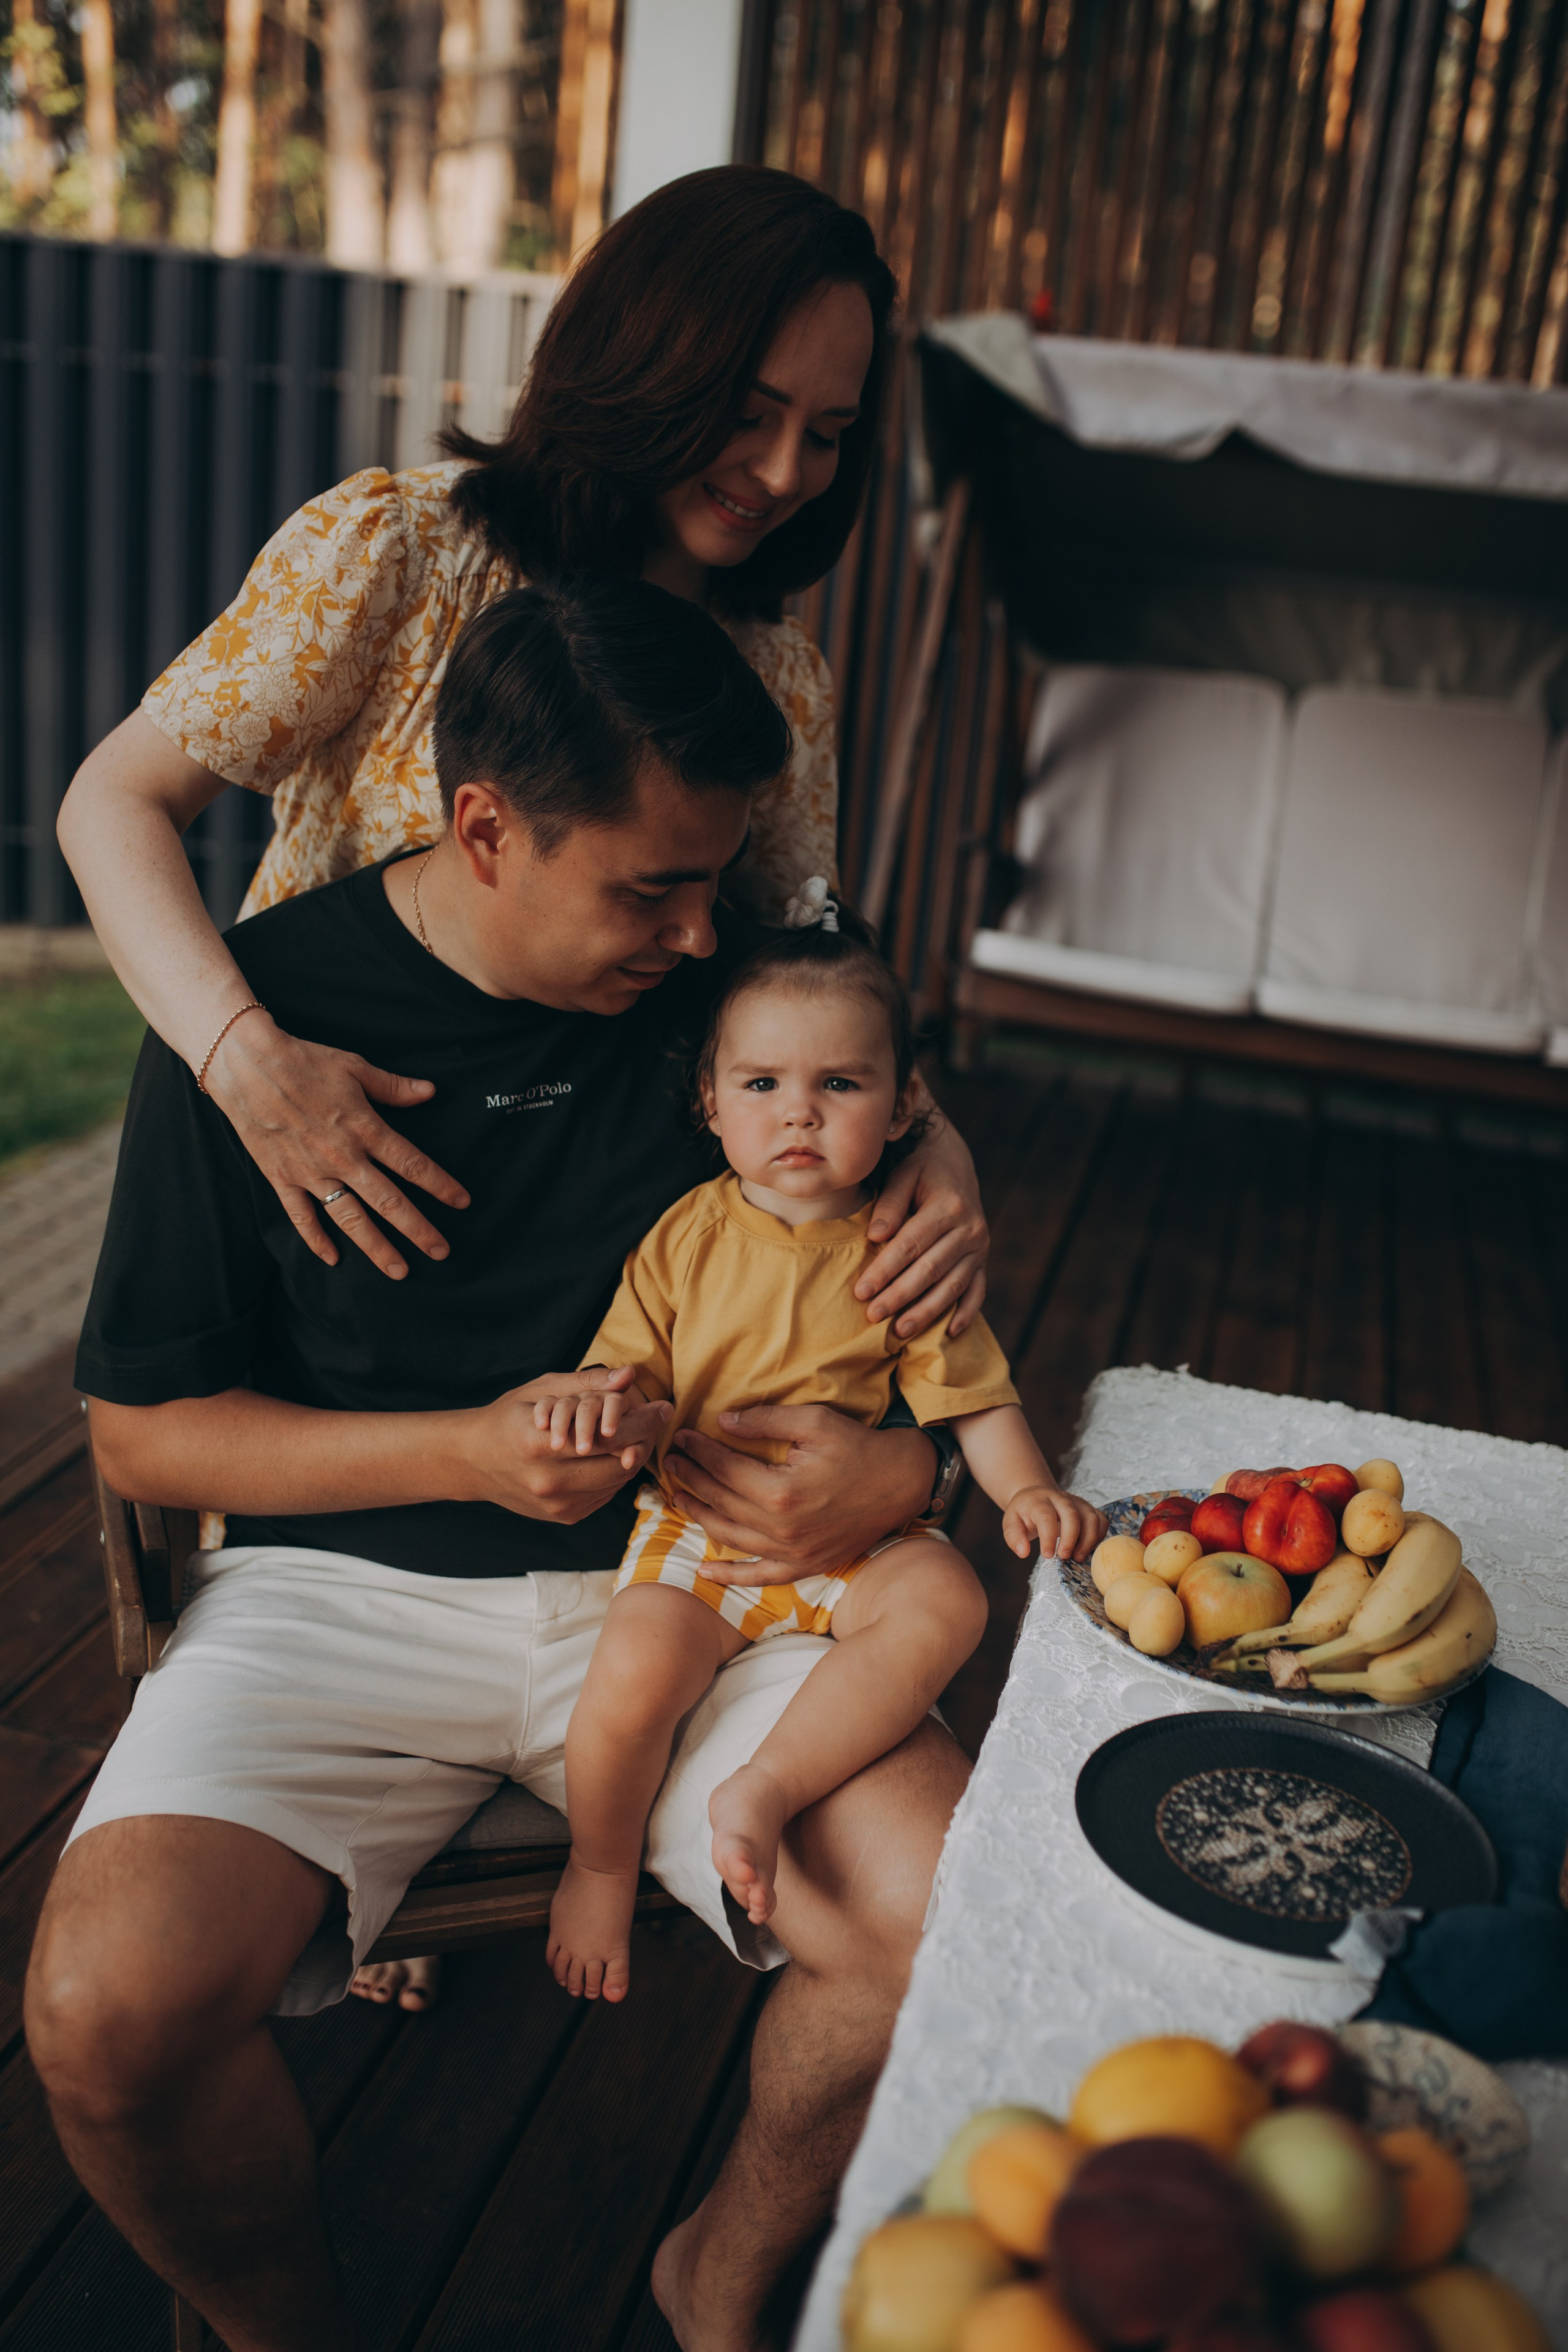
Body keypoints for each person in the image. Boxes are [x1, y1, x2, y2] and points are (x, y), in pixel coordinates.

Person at [58, 169, 991, 2008]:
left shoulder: (770, 672)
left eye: (830, 432)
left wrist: (940, 1155)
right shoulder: (391, 548)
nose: (791, 473)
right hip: (355, 1214)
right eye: (751, 411)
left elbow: (806, 974)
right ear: (648, 357)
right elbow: (113, 805)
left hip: (647, 1356)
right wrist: (250, 1067)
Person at [27, 580, 974, 2352]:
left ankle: (728, 2267)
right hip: (339, 1597)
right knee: (105, 2011)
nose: (705, 937)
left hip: (716, 1589)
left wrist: (909, 1476)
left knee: (945, 1919)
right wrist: (465, 1452)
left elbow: (895, 1310)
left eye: (719, 880)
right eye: (654, 887)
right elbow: (148, 1435)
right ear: (485, 827)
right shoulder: (268, 1017)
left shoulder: (733, 1021)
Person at [544, 910, 1107, 2002]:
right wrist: (616, 1412)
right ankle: (600, 1862)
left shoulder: (902, 1252)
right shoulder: (687, 1237)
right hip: (701, 1529)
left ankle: (764, 1785)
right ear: (710, 1102)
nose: (797, 1110)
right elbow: (634, 1371)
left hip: (857, 1542)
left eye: (840, 1086)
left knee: (949, 1600)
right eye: (760, 1085)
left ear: (904, 1108)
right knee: (630, 1678)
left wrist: (1027, 1487)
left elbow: (972, 1395)